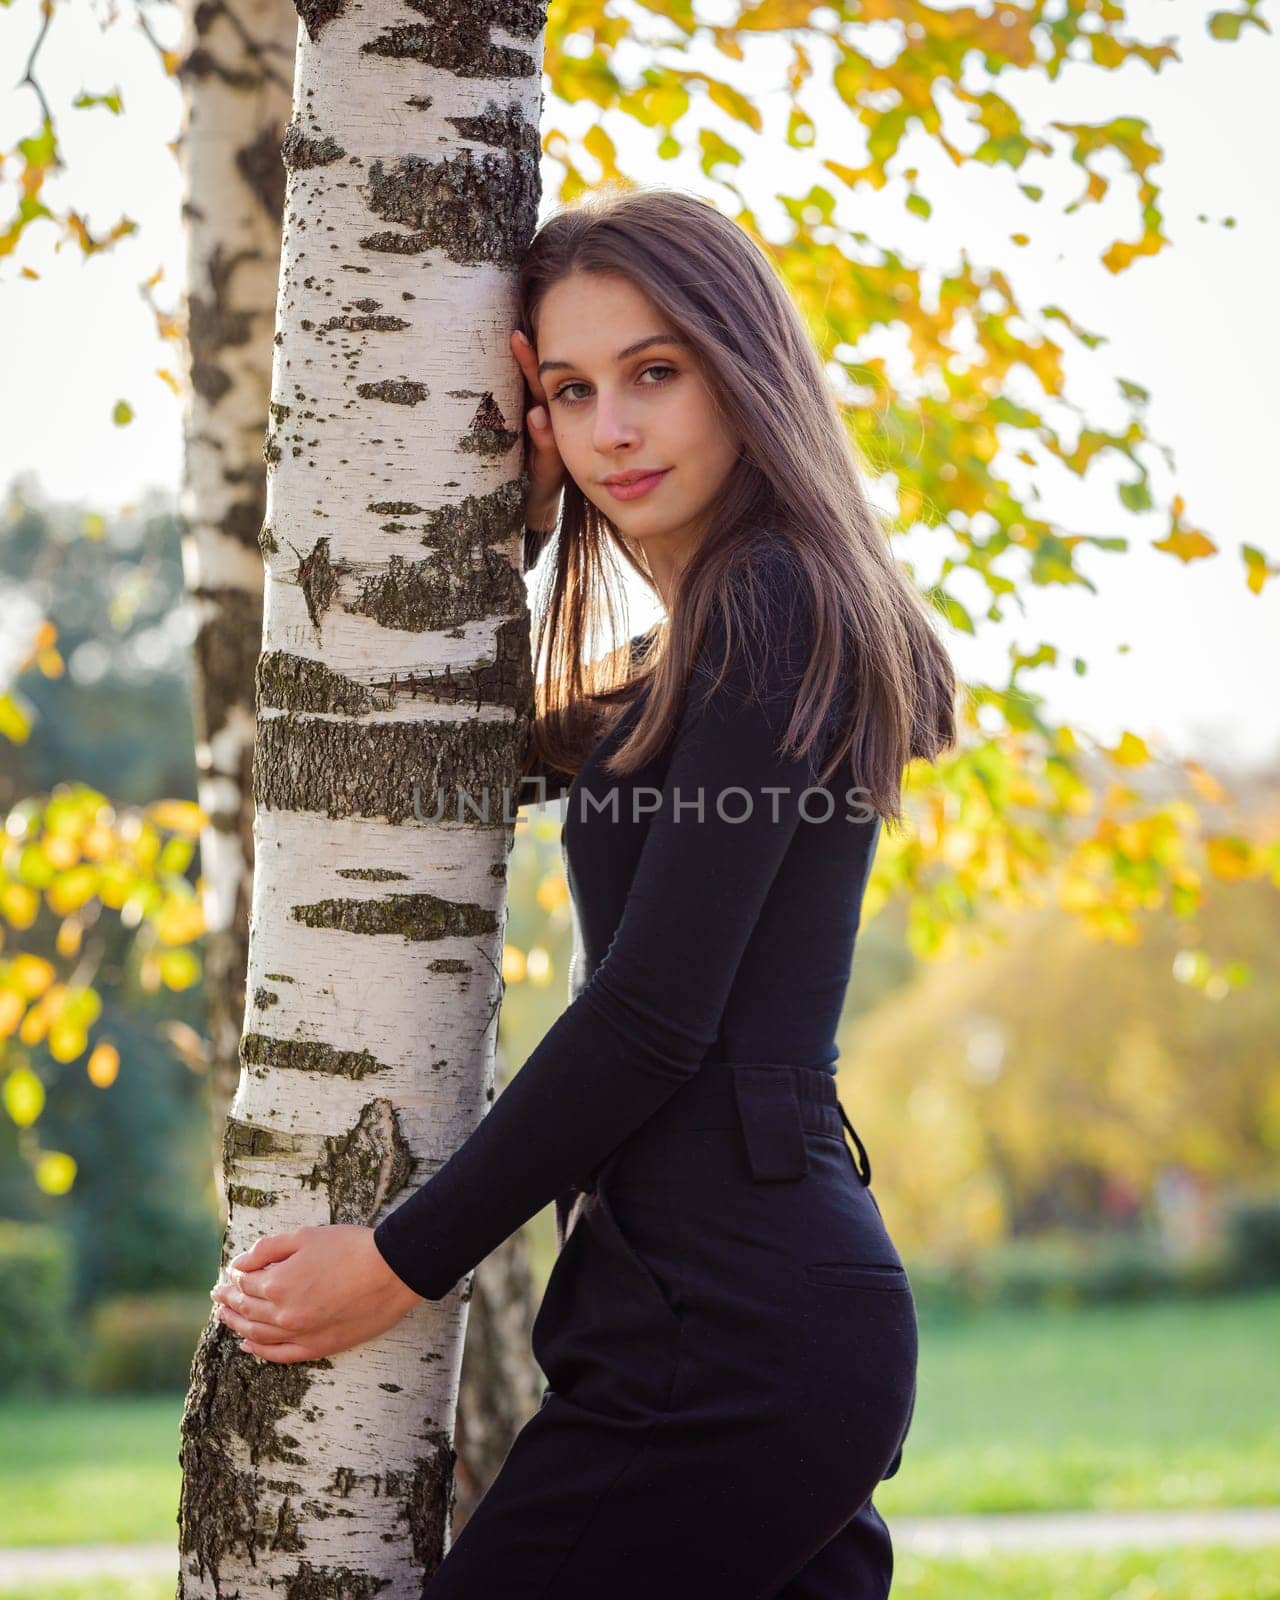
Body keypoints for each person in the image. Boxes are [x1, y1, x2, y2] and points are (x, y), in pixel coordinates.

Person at [212, 184, 958, 1598]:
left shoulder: (773, 597)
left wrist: (402, 1260)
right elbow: (447, 763)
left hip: (734, 1330)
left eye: (656, 373)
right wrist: (513, 532)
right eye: (571, 387)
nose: (615, 426)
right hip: (708, 1312)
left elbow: (656, 1014)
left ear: (745, 369)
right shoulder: (692, 656)